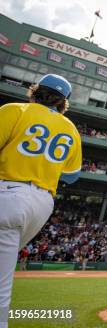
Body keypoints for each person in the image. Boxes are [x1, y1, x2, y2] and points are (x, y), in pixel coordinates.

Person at [0, 74, 82, 327]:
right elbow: (71, 176)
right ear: (63, 102)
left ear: (35, 90)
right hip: (41, 204)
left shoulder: (15, 109)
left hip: (7, 190)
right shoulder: (70, 129)